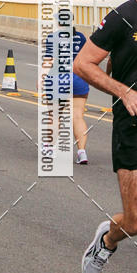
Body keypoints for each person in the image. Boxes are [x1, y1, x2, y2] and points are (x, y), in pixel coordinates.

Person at [75, 0, 137, 273]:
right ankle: (107, 239)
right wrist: (124, 92)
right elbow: (83, 63)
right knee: (136, 221)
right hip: (135, 125)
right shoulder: (125, 16)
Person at [43, 15, 90, 164]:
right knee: (78, 116)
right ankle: (82, 153)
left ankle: (50, 149)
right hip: (78, 78)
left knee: (55, 115)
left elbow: (49, 60)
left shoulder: (53, 37)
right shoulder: (80, 37)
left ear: (58, 22)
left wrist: (41, 78)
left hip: (58, 78)